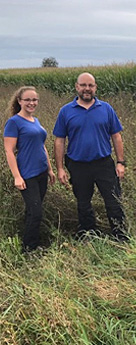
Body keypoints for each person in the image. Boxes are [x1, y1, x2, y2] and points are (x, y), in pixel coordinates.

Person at [53, 72, 128, 242]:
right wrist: (60, 168)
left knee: (113, 201)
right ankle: (88, 235)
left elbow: (116, 136)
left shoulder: (106, 108)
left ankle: (121, 236)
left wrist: (121, 162)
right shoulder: (66, 111)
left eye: (91, 85)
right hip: (78, 165)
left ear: (95, 88)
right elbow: (59, 141)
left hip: (103, 164)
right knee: (83, 203)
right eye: (83, 85)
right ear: (77, 87)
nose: (87, 89)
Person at [3, 86, 56, 251]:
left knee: (33, 211)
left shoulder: (36, 121)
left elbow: (42, 146)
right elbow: (9, 151)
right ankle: (29, 249)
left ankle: (30, 242)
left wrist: (49, 169)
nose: (31, 103)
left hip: (41, 172)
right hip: (27, 174)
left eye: (34, 100)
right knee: (36, 212)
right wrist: (17, 176)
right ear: (19, 101)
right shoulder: (14, 122)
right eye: (27, 100)